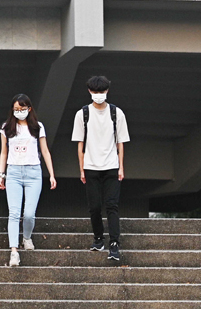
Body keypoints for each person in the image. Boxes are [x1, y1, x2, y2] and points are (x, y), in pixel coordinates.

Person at [72, 75, 130, 262]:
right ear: (89, 92)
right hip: (90, 166)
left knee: (112, 206)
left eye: (102, 92)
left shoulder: (116, 113)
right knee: (94, 207)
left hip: (111, 165)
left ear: (107, 91)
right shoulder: (82, 114)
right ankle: (98, 239)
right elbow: (80, 145)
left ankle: (114, 244)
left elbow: (121, 143)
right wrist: (81, 169)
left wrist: (121, 167)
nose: (99, 95)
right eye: (96, 92)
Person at [0, 94, 57, 267]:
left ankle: (27, 237)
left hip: (33, 171)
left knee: (29, 213)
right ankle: (14, 251)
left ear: (29, 109)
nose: (19, 112)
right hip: (13, 171)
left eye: (22, 109)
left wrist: (51, 174)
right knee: (14, 213)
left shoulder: (37, 127)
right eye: (16, 109)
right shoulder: (6, 127)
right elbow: (3, 152)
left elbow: (45, 151)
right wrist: (1, 174)